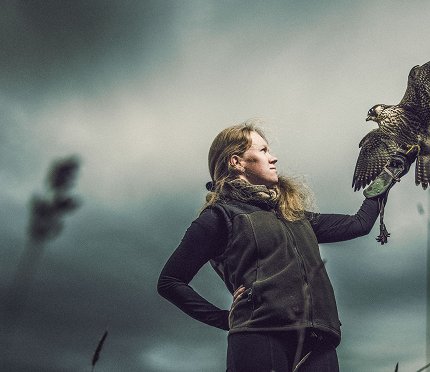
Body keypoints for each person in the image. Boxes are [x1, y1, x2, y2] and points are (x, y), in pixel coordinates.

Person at [157, 120, 409, 372]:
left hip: (318, 343)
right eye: (263, 151)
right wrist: (224, 318)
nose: (273, 158)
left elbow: (359, 224)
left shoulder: (294, 215)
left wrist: (389, 174)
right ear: (236, 162)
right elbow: (170, 281)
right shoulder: (219, 216)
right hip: (260, 337)